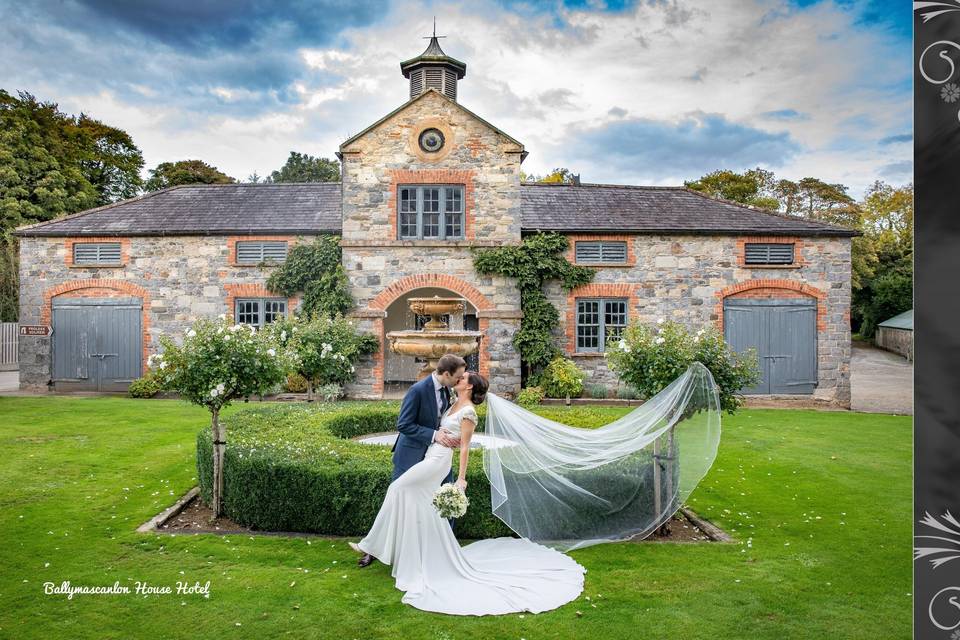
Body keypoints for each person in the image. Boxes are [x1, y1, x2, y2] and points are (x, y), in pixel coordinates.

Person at [348, 369, 586, 616]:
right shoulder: (452, 403)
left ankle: (372, 544)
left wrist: (461, 479)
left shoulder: (469, 412)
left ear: (470, 387)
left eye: (463, 378)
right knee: (416, 501)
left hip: (438, 461)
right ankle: (413, 554)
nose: (458, 379)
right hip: (430, 455)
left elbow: (464, 448)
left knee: (398, 487)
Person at [354, 354, 465, 568]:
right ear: (446, 374)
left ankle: (446, 548)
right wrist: (434, 435)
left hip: (436, 458)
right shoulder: (418, 390)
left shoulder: (447, 391)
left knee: (447, 497)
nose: (459, 381)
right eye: (457, 377)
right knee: (395, 501)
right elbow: (403, 424)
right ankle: (373, 550)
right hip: (410, 456)